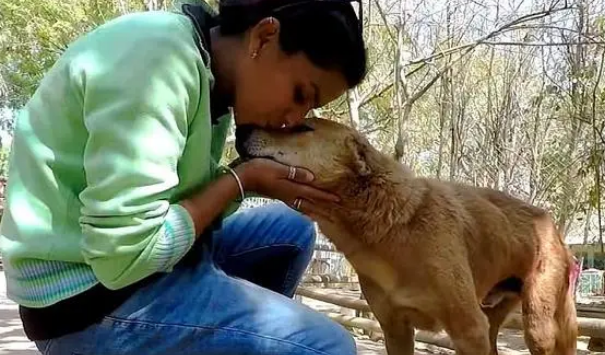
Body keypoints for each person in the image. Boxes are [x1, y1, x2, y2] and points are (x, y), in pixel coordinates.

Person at [0, 0, 367, 354]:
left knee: (291, 230)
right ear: (264, 37)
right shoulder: (158, 63)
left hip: (143, 267)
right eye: (300, 94)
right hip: (86, 300)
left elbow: (175, 203)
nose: (294, 118)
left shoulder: (215, 81)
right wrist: (241, 180)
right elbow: (123, 259)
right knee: (328, 346)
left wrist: (245, 179)